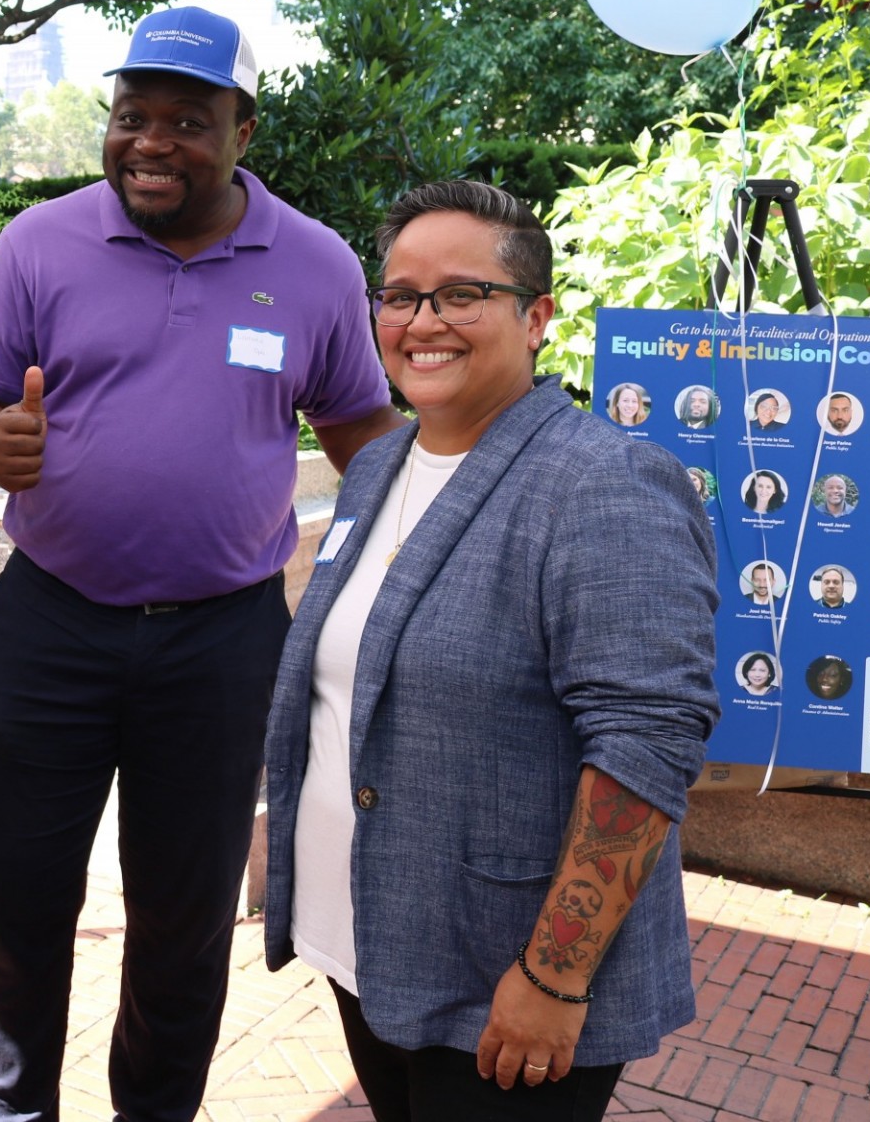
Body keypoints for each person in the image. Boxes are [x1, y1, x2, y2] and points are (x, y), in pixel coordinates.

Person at [0, 4, 404, 1121]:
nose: (150, 141)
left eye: (186, 119)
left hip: (222, 638)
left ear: (244, 130)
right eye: (131, 114)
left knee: (185, 919)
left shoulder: (315, 264)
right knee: (16, 905)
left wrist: (468, 500)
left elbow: (364, 440)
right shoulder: (39, 241)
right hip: (50, 620)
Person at [263, 180, 718, 1120]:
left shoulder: (604, 484)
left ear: (537, 316)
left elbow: (646, 742)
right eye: (398, 295)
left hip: (508, 983)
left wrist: (554, 978)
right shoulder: (383, 463)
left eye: (461, 294)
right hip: (375, 947)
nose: (423, 321)